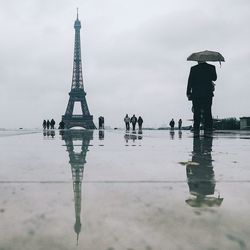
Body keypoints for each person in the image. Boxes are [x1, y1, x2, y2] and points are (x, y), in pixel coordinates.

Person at [187, 61, 217, 136]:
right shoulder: (211, 67)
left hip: (196, 94)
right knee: (208, 112)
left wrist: (188, 92)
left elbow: (190, 81)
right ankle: (208, 130)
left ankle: (196, 130)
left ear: (198, 60)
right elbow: (214, 78)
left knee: (196, 113)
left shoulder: (193, 68)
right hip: (207, 94)